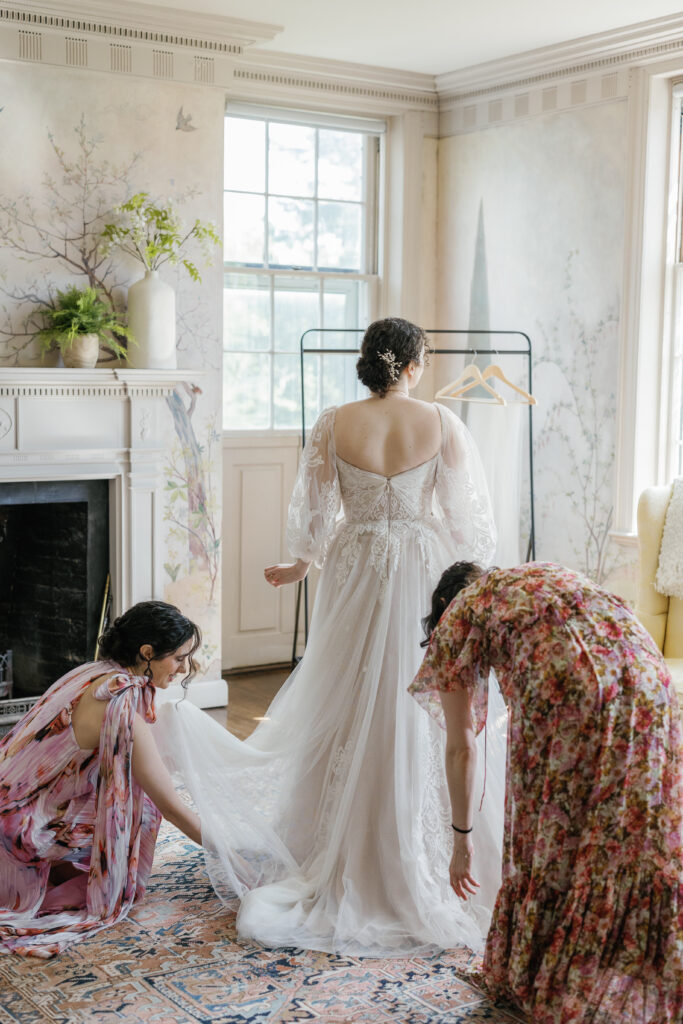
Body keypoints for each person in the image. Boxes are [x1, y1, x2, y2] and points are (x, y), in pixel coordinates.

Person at [156, 316, 506, 955]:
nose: (423, 368)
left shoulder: (334, 421)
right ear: (408, 364)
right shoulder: (442, 422)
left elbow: (313, 511)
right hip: (422, 564)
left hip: (355, 563)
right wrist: (477, 586)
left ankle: (335, 834)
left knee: (347, 686)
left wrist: (298, 564)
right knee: (416, 690)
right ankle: (424, 837)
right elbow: (466, 525)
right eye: (422, 359)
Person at [410, 560, 683, 1024]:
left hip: (572, 693)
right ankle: (652, 965)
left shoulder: (458, 615)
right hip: (651, 680)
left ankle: (569, 971)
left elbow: (461, 750)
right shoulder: (536, 576)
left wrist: (462, 839)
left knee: (554, 835)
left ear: (444, 604)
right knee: (638, 830)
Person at [0, 601, 202, 958]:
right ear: (147, 653)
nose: (185, 668)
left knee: (119, 787)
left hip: (7, 802)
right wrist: (231, 854)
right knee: (144, 806)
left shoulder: (92, 672)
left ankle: (58, 867)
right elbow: (173, 807)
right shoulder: (120, 702)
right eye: (179, 658)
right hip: (14, 828)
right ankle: (46, 871)